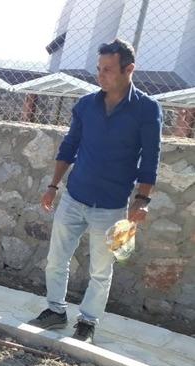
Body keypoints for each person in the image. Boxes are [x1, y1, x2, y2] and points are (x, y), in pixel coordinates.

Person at [29, 39, 162, 343]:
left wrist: (142, 200)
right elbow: (69, 146)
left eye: (108, 70)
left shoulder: (147, 109)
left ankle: (87, 322)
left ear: (129, 69)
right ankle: (55, 310)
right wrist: (53, 186)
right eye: (99, 69)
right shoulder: (86, 105)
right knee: (56, 259)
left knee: (101, 270)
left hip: (113, 206)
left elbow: (151, 158)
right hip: (74, 197)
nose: (100, 76)